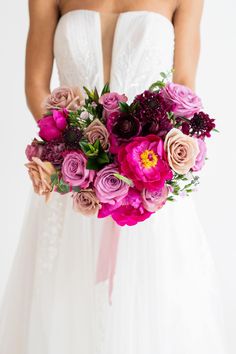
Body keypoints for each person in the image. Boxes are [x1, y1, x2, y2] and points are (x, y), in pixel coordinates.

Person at [0, 1, 226, 353]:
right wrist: (80, 154)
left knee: (153, 307)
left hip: (149, 180)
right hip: (74, 181)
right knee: (64, 300)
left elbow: (184, 84)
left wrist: (150, 159)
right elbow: (35, 86)